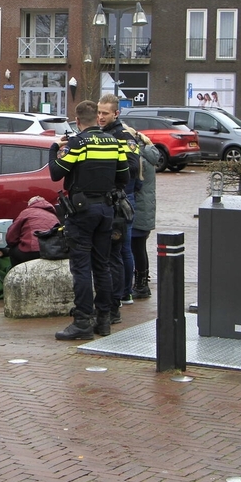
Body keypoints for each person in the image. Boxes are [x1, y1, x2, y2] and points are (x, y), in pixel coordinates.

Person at [49, 100, 129, 340]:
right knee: (102, 265)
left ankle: (83, 321)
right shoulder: (114, 142)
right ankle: (103, 320)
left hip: (82, 213)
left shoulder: (78, 143)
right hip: (106, 210)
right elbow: (124, 177)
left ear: (77, 121)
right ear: (97, 117)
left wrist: (54, 148)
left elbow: (56, 173)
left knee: (81, 268)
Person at [97, 93, 141, 324]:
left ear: (116, 113)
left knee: (120, 251)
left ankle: (122, 295)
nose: (101, 117)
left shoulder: (122, 136)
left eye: (105, 113)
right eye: (99, 112)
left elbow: (133, 166)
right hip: (107, 201)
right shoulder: (101, 134)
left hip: (120, 202)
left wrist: (109, 166)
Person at [130, 130, 162, 300]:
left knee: (136, 248)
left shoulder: (139, 159)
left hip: (139, 211)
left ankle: (141, 284)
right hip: (146, 211)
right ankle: (142, 282)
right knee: (139, 247)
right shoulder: (148, 154)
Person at [0, 196, 57, 266]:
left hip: (32, 251)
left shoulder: (26, 212)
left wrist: (6, 249)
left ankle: (17, 274)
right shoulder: (54, 216)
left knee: (13, 252)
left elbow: (10, 238)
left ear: (30, 204)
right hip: (53, 251)